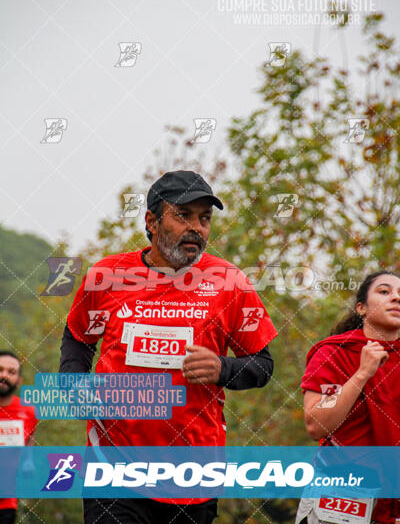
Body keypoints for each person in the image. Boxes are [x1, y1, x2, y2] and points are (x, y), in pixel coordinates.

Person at [60, 170, 278, 524]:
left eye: (204, 218)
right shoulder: (107, 275)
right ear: (152, 221)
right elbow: (78, 338)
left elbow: (262, 365)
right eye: (183, 215)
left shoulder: (229, 282)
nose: (196, 227)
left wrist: (223, 368)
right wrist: (73, 384)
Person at [297, 271, 400, 524]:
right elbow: (316, 424)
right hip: (342, 496)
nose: (396, 298)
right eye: (385, 292)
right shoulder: (334, 353)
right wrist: (362, 374)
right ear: (361, 308)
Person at [0, 351, 37, 524]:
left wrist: (28, 461)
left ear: (19, 380)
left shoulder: (29, 413)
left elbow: (30, 439)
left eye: (11, 372)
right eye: (0, 370)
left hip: (6, 503)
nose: (4, 375)